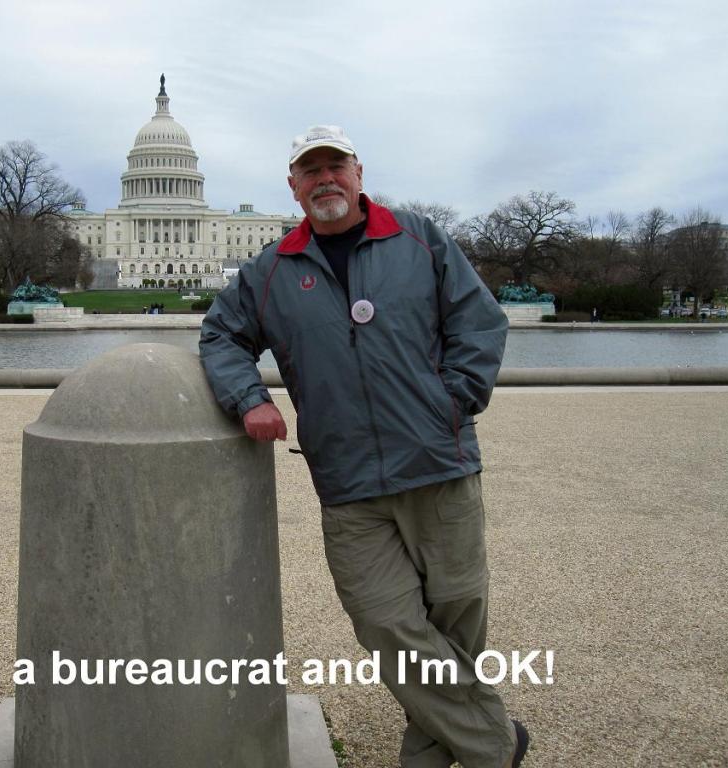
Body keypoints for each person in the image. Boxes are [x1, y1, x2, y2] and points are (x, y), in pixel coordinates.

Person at [200, 126, 527, 768]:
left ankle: (428, 754)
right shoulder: (270, 269)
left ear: (358, 173)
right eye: (310, 170)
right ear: (293, 186)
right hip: (348, 481)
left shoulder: (419, 238)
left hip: (438, 464)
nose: (325, 179)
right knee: (385, 623)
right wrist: (250, 398)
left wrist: (452, 401)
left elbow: (479, 320)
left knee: (456, 618)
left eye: (336, 165)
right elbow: (220, 336)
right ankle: (495, 744)